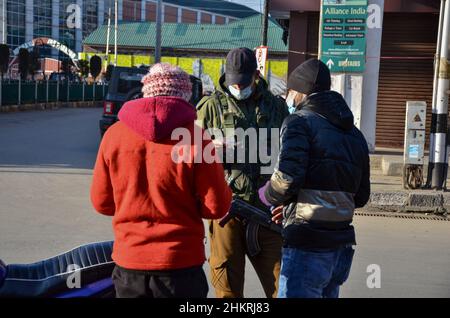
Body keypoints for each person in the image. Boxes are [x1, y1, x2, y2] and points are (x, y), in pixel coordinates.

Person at [90, 63, 232, 298]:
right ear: (185, 96)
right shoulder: (197, 138)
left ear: (146, 91)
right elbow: (216, 207)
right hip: (181, 265)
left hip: (129, 263)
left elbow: (101, 203)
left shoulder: (113, 135)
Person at [259, 58, 370, 298]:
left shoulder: (298, 123)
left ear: (300, 92)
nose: (288, 98)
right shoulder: (355, 134)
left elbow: (287, 179)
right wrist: (294, 205)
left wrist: (268, 195)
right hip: (340, 247)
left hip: (307, 245)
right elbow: (361, 196)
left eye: (290, 91)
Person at [196, 48, 289, 298]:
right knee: (227, 290)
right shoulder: (209, 107)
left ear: (256, 76)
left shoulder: (276, 107)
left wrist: (288, 200)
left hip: (267, 210)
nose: (237, 86)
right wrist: (208, 148)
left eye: (243, 82)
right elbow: (188, 155)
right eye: (232, 81)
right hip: (226, 211)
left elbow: (292, 156)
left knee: (283, 287)